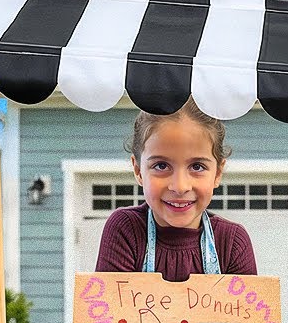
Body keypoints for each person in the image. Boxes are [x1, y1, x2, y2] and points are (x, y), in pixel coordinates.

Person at [96, 100, 257, 279]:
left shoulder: (232, 242)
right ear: (138, 170)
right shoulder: (126, 230)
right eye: (161, 165)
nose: (180, 187)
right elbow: (110, 305)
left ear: (217, 173)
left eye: (197, 167)